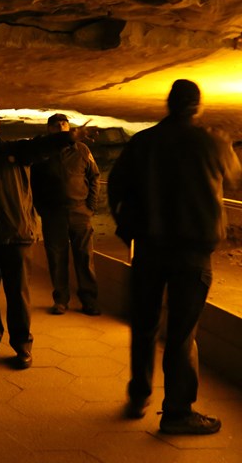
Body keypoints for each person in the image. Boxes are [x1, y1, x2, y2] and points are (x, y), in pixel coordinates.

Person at [108, 79, 241, 434]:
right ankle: (178, 412)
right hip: (192, 254)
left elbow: (116, 187)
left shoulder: (142, 143)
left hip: (149, 249)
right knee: (182, 334)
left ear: (167, 104)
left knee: (145, 326)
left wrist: (127, 228)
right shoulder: (210, 142)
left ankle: (139, 395)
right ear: (197, 107)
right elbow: (234, 176)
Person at [0, 105, 93, 370]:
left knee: (18, 293)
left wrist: (69, 137)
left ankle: (22, 346)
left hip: (14, 233)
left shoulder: (15, 151)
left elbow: (41, 146)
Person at [31, 113, 101, 316]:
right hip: (53, 214)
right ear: (49, 129)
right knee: (56, 257)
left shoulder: (82, 150)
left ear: (69, 127)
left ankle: (89, 300)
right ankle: (60, 300)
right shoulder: (42, 153)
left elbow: (94, 176)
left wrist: (91, 206)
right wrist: (41, 209)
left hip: (80, 212)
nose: (61, 126)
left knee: (85, 257)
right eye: (55, 124)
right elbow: (33, 183)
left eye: (64, 123)